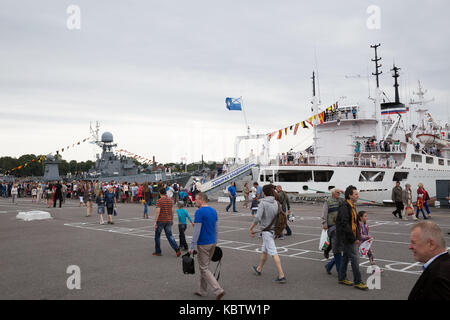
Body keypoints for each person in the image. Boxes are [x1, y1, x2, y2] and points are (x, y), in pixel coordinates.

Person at [189, 192, 225, 300]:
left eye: (196, 199)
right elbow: (216, 228)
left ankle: (218, 290)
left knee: (204, 268)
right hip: (212, 242)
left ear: (201, 200)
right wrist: (216, 241)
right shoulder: (213, 211)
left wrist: (192, 245)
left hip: (203, 243)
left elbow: (197, 230)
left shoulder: (199, 212)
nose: (194, 201)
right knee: (205, 267)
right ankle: (202, 290)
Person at [249, 184, 286, 284]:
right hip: (274, 231)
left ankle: (281, 275)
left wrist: (251, 228)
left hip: (266, 231)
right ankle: (259, 268)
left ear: (264, 193)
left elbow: (257, 218)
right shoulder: (276, 202)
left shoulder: (263, 203)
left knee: (273, 253)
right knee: (264, 250)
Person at [336, 185, 368, 290]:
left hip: (351, 236)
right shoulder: (345, 206)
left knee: (346, 257)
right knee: (355, 258)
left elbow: (355, 223)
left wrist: (358, 235)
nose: (357, 196)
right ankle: (358, 281)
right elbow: (345, 224)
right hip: (347, 237)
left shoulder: (352, 206)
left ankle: (341, 277)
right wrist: (353, 238)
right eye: (356, 194)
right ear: (350, 195)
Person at [408, 221, 450, 300]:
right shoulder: (443, 265)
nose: (410, 247)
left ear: (431, 244)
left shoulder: (439, 278)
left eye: (413, 242)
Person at [153, 188, 181, 257]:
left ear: (160, 193)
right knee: (169, 236)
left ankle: (158, 251)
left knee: (157, 236)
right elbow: (172, 211)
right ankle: (176, 249)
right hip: (168, 220)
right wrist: (171, 219)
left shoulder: (159, 201)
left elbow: (157, 211)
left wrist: (155, 221)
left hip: (161, 220)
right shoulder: (170, 200)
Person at [322, 188, 344, 264]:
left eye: (339, 192)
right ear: (333, 193)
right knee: (332, 242)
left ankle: (333, 257)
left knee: (336, 242)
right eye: (337, 192)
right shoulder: (328, 201)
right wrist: (324, 223)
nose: (339, 194)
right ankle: (327, 251)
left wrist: (344, 192)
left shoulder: (341, 200)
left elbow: (349, 201)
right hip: (331, 224)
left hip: (340, 224)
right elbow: (324, 213)